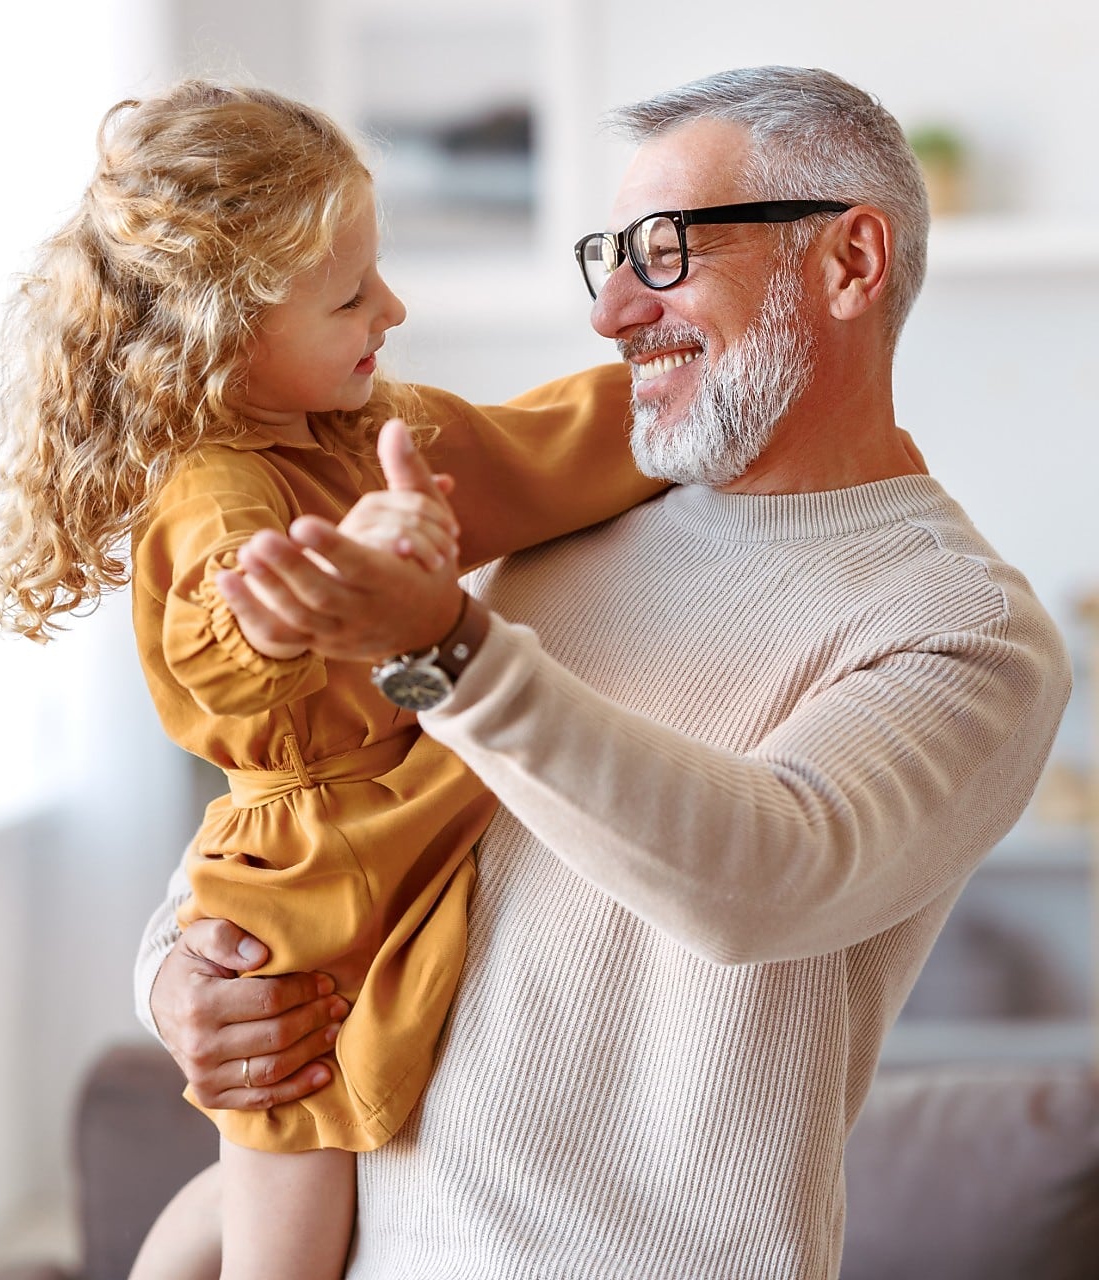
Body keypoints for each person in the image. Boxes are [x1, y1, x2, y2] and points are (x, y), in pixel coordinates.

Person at [135, 66, 1073, 1278]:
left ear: (848, 262)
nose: (613, 311)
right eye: (608, 256)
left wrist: (444, 646)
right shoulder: (544, 530)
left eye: (666, 251)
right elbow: (318, 800)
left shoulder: (961, 625)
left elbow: (763, 874)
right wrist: (177, 975)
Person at [0, 80, 664, 1280]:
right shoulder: (215, 485)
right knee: (288, 1197)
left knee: (290, 1191)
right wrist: (342, 574)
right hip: (305, 879)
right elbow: (229, 632)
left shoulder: (370, 430)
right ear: (223, 333)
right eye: (349, 296)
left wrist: (684, 398)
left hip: (398, 807)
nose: (392, 306)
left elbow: (535, 448)